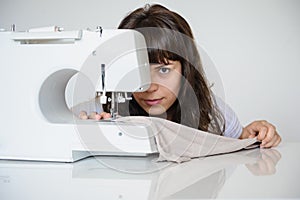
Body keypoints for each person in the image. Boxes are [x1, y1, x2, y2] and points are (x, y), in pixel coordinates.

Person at [74, 4, 281, 148]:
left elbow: (238, 142)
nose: (149, 87)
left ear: (186, 69)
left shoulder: (214, 115)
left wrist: (255, 135)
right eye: (139, 72)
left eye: (163, 70)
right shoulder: (96, 113)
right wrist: (82, 135)